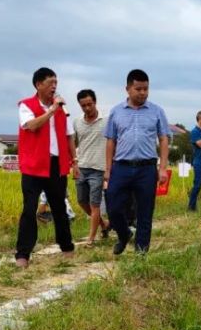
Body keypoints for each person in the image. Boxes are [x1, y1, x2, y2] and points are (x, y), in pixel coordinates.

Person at [11, 68, 76, 266]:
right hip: (34, 165)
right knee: (29, 209)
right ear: (38, 85)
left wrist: (75, 160)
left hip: (56, 164)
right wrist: (51, 111)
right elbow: (31, 125)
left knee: (59, 208)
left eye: (56, 82)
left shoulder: (61, 109)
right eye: (50, 82)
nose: (54, 86)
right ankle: (23, 254)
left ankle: (67, 248)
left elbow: (69, 136)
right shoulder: (26, 105)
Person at [104, 69, 170, 255]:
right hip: (121, 167)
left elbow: (164, 139)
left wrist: (163, 168)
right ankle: (124, 234)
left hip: (147, 168)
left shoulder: (157, 111)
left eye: (146, 89)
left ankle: (141, 251)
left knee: (145, 212)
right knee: (113, 206)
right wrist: (108, 169)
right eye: (138, 89)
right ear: (128, 89)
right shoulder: (116, 112)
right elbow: (111, 141)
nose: (142, 93)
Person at [73, 89, 110, 246]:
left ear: (95, 102)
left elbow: (112, 143)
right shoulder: (77, 122)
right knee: (82, 201)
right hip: (82, 167)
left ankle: (91, 238)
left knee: (95, 204)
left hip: (98, 168)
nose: (87, 108)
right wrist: (73, 163)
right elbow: (73, 143)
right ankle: (104, 224)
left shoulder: (106, 121)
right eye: (83, 106)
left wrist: (109, 167)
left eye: (90, 104)